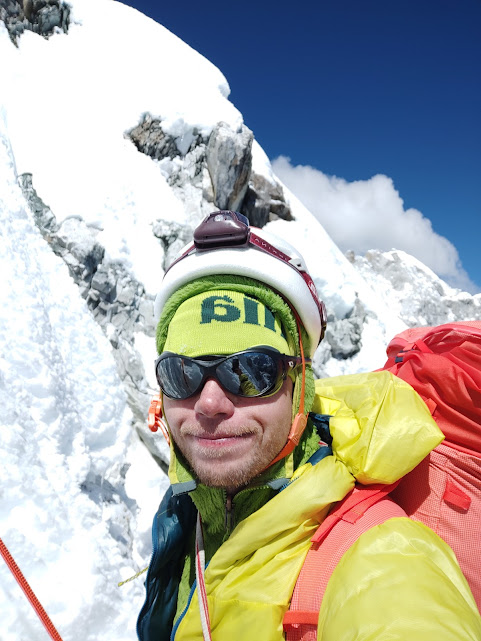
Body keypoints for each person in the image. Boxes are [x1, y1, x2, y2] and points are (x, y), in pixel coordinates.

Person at [137, 211, 481, 641]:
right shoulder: (190, 518)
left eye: (250, 371)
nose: (209, 403)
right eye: (180, 373)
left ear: (300, 387)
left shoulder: (382, 557)